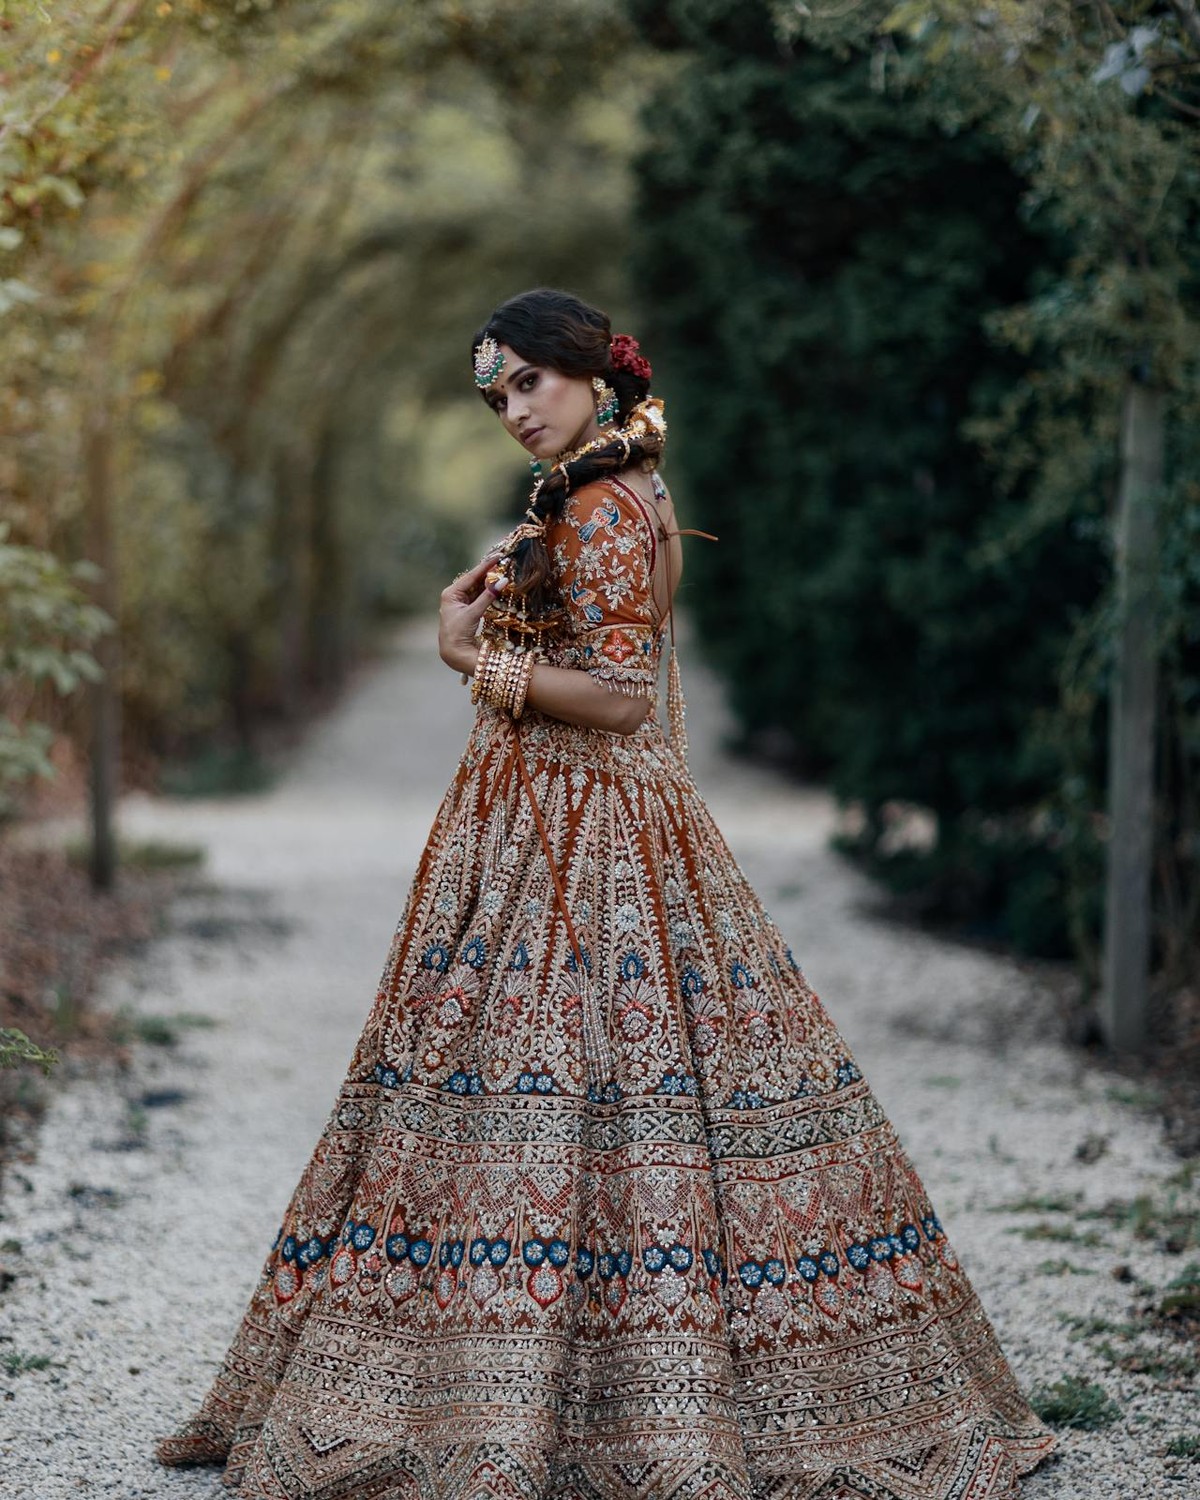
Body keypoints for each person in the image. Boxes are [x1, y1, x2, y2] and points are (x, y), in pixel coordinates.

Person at [155, 288, 1057, 1499]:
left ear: (592, 371)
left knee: (564, 1088)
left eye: (529, 381)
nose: (514, 410)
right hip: (574, 819)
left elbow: (624, 698)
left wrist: (476, 658)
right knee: (597, 1097)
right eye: (497, 395)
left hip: (589, 835)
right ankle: (570, 1398)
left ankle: (563, 1409)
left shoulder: (602, 503)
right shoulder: (629, 485)